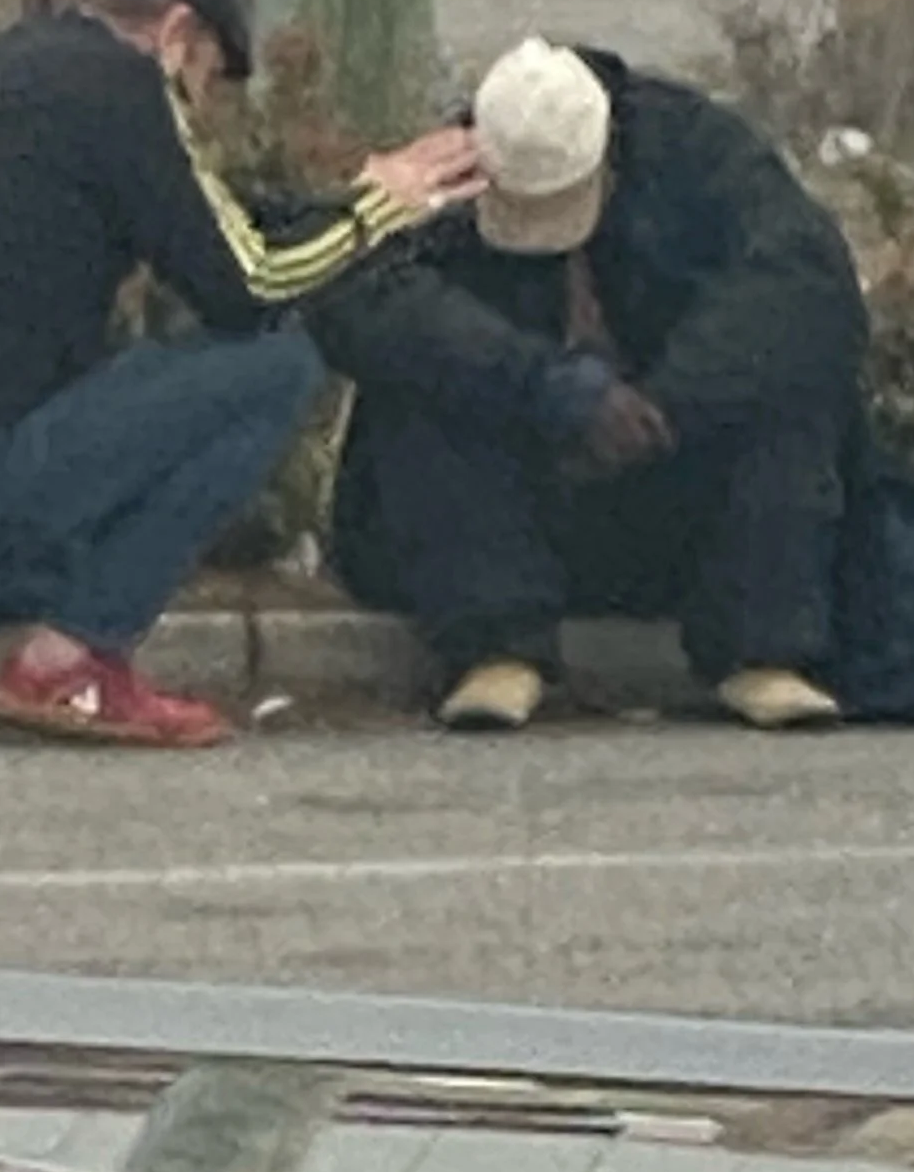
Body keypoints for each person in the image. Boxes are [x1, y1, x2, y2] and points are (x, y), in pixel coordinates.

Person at [0, 0, 481, 750]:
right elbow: (250, 285)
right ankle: (73, 658)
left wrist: (338, 200)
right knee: (276, 365)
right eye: (206, 79)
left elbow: (207, 234)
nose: (200, 113)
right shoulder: (128, 90)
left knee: (73, 498)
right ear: (178, 34)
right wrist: (380, 204)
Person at [311, 36, 869, 734]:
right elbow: (363, 292)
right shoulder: (444, 165)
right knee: (427, 373)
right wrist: (543, 385)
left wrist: (669, 401)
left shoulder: (698, 150)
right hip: (500, 503)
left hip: (671, 472)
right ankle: (493, 644)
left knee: (784, 377)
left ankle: (763, 644)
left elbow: (804, 277)